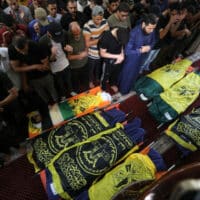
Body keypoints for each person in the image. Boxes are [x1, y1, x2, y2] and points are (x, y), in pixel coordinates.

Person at [8, 35, 58, 105]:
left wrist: (44, 66)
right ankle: (49, 105)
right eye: (20, 51)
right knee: (42, 94)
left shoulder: (35, 45)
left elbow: (45, 64)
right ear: (15, 47)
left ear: (27, 43)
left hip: (45, 74)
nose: (23, 53)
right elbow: (15, 68)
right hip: (32, 78)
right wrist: (35, 66)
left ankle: (57, 102)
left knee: (52, 90)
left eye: (25, 50)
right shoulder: (11, 49)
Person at [119, 14, 157, 95]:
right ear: (143, 24)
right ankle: (123, 91)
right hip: (132, 59)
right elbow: (127, 51)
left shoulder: (151, 30)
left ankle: (131, 88)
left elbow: (153, 41)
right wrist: (140, 50)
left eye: (153, 28)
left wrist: (150, 47)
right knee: (127, 76)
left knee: (135, 74)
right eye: (149, 28)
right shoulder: (134, 33)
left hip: (142, 58)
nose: (151, 31)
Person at [39, 22, 74, 100]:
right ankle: (63, 95)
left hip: (65, 62)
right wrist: (53, 55)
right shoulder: (43, 41)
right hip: (54, 67)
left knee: (68, 79)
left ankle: (71, 91)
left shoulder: (64, 33)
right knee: (59, 83)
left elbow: (68, 47)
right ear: (49, 33)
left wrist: (70, 50)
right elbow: (46, 61)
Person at [83, 5, 109, 88]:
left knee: (98, 68)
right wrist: (100, 38)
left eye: (101, 18)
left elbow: (107, 34)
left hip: (101, 52)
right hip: (92, 54)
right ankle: (90, 81)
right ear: (92, 16)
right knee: (91, 70)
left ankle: (97, 78)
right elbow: (87, 44)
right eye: (97, 19)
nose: (99, 21)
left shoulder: (104, 21)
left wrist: (95, 40)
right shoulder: (87, 26)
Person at [98, 27, 129, 92]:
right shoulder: (106, 37)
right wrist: (118, 56)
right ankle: (103, 88)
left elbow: (122, 46)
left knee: (116, 73)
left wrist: (122, 55)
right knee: (105, 75)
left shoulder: (123, 31)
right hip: (108, 59)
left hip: (119, 57)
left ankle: (112, 84)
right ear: (116, 36)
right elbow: (102, 53)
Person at [67, 22, 89, 93]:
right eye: (75, 34)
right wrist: (79, 56)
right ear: (70, 31)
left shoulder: (84, 32)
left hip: (84, 63)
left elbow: (87, 44)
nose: (78, 35)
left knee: (85, 81)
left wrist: (86, 51)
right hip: (74, 67)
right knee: (75, 83)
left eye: (79, 33)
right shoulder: (67, 37)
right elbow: (68, 57)